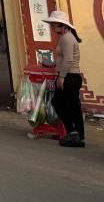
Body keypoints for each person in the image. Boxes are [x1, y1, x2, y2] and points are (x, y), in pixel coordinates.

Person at [43, 11, 84, 148]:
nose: (53, 27)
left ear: (62, 26)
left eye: (54, 25)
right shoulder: (65, 37)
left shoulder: (67, 38)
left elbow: (68, 60)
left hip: (69, 76)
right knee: (69, 105)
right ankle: (75, 133)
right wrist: (51, 64)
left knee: (64, 104)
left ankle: (75, 133)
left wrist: (61, 77)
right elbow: (62, 59)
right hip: (69, 75)